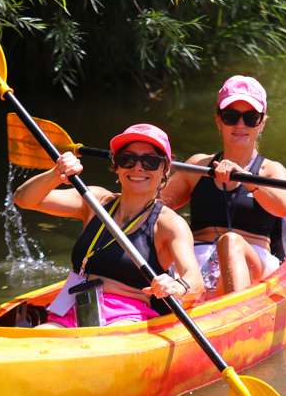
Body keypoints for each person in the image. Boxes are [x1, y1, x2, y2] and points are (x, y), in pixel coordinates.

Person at [13, 123, 203, 328]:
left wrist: (177, 286)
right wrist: (56, 173)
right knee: (41, 337)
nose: (137, 167)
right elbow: (24, 199)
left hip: (127, 316)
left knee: (105, 340)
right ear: (117, 165)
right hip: (73, 308)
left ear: (165, 169)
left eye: (150, 162)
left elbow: (195, 279)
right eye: (127, 159)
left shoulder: (169, 224)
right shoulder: (95, 201)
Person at [161, 75, 286, 296]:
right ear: (218, 121)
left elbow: (282, 208)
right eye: (231, 116)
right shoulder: (198, 166)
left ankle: (233, 317)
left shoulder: (270, 171)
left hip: (253, 262)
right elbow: (152, 206)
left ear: (261, 123)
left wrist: (247, 180)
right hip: (195, 264)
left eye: (250, 118)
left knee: (230, 243)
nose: (240, 125)